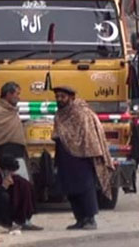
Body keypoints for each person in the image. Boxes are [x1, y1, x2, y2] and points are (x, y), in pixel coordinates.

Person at [52, 85, 115, 230]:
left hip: (83, 155)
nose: (59, 100)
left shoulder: (82, 113)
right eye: (57, 97)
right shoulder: (60, 114)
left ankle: (90, 218)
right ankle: (80, 218)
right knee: (70, 187)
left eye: (62, 97)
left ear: (71, 98)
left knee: (85, 187)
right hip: (65, 155)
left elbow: (89, 135)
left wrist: (87, 151)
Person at [0, 154, 42, 231]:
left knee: (22, 184)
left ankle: (23, 220)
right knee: (3, 196)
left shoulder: (10, 177)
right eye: (10, 171)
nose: (11, 174)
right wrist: (2, 187)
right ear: (2, 169)